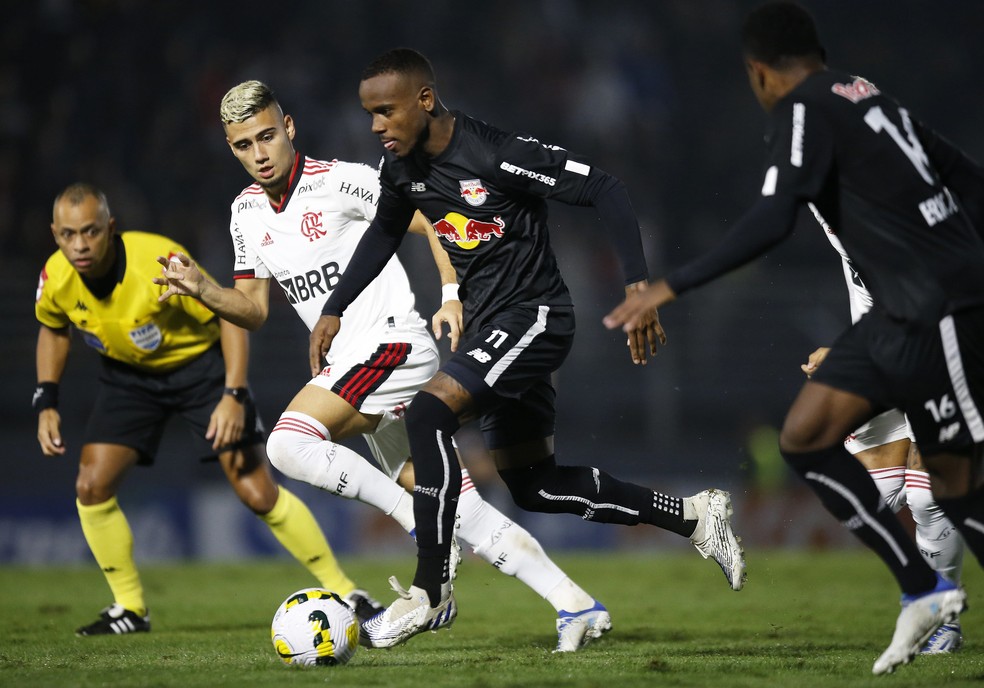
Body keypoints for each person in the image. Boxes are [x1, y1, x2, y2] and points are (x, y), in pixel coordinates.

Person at [154, 80, 615, 653]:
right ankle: (575, 602)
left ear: (289, 127)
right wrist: (203, 289)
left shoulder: (339, 181)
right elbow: (250, 309)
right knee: (463, 509)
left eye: (268, 136)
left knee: (287, 445)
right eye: (245, 145)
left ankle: (419, 526)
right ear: (233, 150)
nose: (261, 152)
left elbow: (431, 217)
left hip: (392, 346)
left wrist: (451, 292)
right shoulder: (245, 213)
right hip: (358, 366)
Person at [310, 48, 746, 650]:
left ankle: (429, 590)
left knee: (430, 414)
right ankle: (694, 516)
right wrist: (334, 306)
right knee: (533, 485)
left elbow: (607, 190)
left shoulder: (496, 153)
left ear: (425, 101)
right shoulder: (402, 170)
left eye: (385, 111)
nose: (376, 126)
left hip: (536, 316)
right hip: (492, 329)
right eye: (369, 114)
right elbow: (385, 231)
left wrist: (639, 288)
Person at [604, 1, 984, 674]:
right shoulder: (870, 99)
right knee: (806, 435)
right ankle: (923, 590)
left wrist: (670, 284)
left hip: (944, 308)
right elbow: (962, 173)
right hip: (898, 315)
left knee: (954, 487)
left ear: (758, 72)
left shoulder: (803, 109)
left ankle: (929, 590)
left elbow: (775, 216)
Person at [35, 182, 376, 636]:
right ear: (55, 233)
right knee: (91, 485)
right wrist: (47, 399)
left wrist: (233, 395)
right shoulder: (55, 276)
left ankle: (345, 590)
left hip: (202, 373)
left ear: (110, 228)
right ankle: (130, 610)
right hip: (128, 379)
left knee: (257, 492)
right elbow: (53, 327)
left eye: (91, 232)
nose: (79, 244)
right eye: (68, 234)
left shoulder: (158, 261)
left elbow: (226, 314)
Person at [800, 208, 966, 654]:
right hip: (883, 360)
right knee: (869, 496)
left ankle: (941, 617)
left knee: (927, 495)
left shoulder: (921, 221)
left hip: (939, 359)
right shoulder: (834, 200)